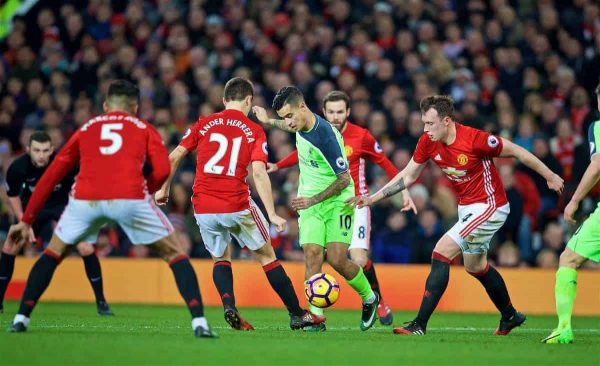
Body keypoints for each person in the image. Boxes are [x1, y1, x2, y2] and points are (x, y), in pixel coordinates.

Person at [6, 80, 215, 338]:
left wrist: (26, 220)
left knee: (53, 253)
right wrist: (146, 192)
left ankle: (21, 318)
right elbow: (162, 170)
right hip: (130, 197)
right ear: (135, 107)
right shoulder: (144, 127)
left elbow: (51, 175)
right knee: (175, 254)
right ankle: (200, 324)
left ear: (106, 106)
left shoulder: (87, 128)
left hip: (85, 199)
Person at [348, 95, 564, 335]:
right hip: (467, 208)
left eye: (430, 124)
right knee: (475, 266)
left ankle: (419, 324)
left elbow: (518, 152)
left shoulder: (475, 139)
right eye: (423, 123)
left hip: (490, 206)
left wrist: (550, 176)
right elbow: (408, 175)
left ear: (447, 121)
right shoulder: (427, 141)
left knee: (441, 251)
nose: (425, 129)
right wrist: (372, 199)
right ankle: (510, 315)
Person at [154, 77, 324, 331]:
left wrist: (163, 189)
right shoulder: (253, 129)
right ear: (248, 100)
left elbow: (175, 155)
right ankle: (297, 314)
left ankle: (229, 306)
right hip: (236, 203)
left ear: (224, 100)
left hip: (203, 206)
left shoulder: (204, 123)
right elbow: (258, 173)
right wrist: (272, 213)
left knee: (220, 258)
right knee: (267, 257)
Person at [268, 90, 414, 328]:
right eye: (285, 118)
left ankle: (370, 297)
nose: (289, 122)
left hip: (339, 200)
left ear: (303, 106)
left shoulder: (326, 136)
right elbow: (288, 128)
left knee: (337, 259)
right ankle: (316, 317)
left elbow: (345, 180)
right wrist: (268, 120)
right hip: (311, 202)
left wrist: (313, 200)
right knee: (312, 254)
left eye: (290, 116)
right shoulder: (298, 123)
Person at [0, 131, 112, 316]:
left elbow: (86, 178)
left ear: (52, 149)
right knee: (11, 244)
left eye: (45, 150)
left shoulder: (65, 162)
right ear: (28, 150)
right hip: (33, 209)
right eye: (37, 150)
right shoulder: (17, 168)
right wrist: (22, 221)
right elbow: (12, 195)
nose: (42, 155)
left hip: (62, 206)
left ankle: (101, 302)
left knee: (85, 246)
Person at [542, 83, 600, 344]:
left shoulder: (597, 127)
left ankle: (563, 328)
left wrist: (574, 200)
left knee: (569, 259)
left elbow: (598, 164)